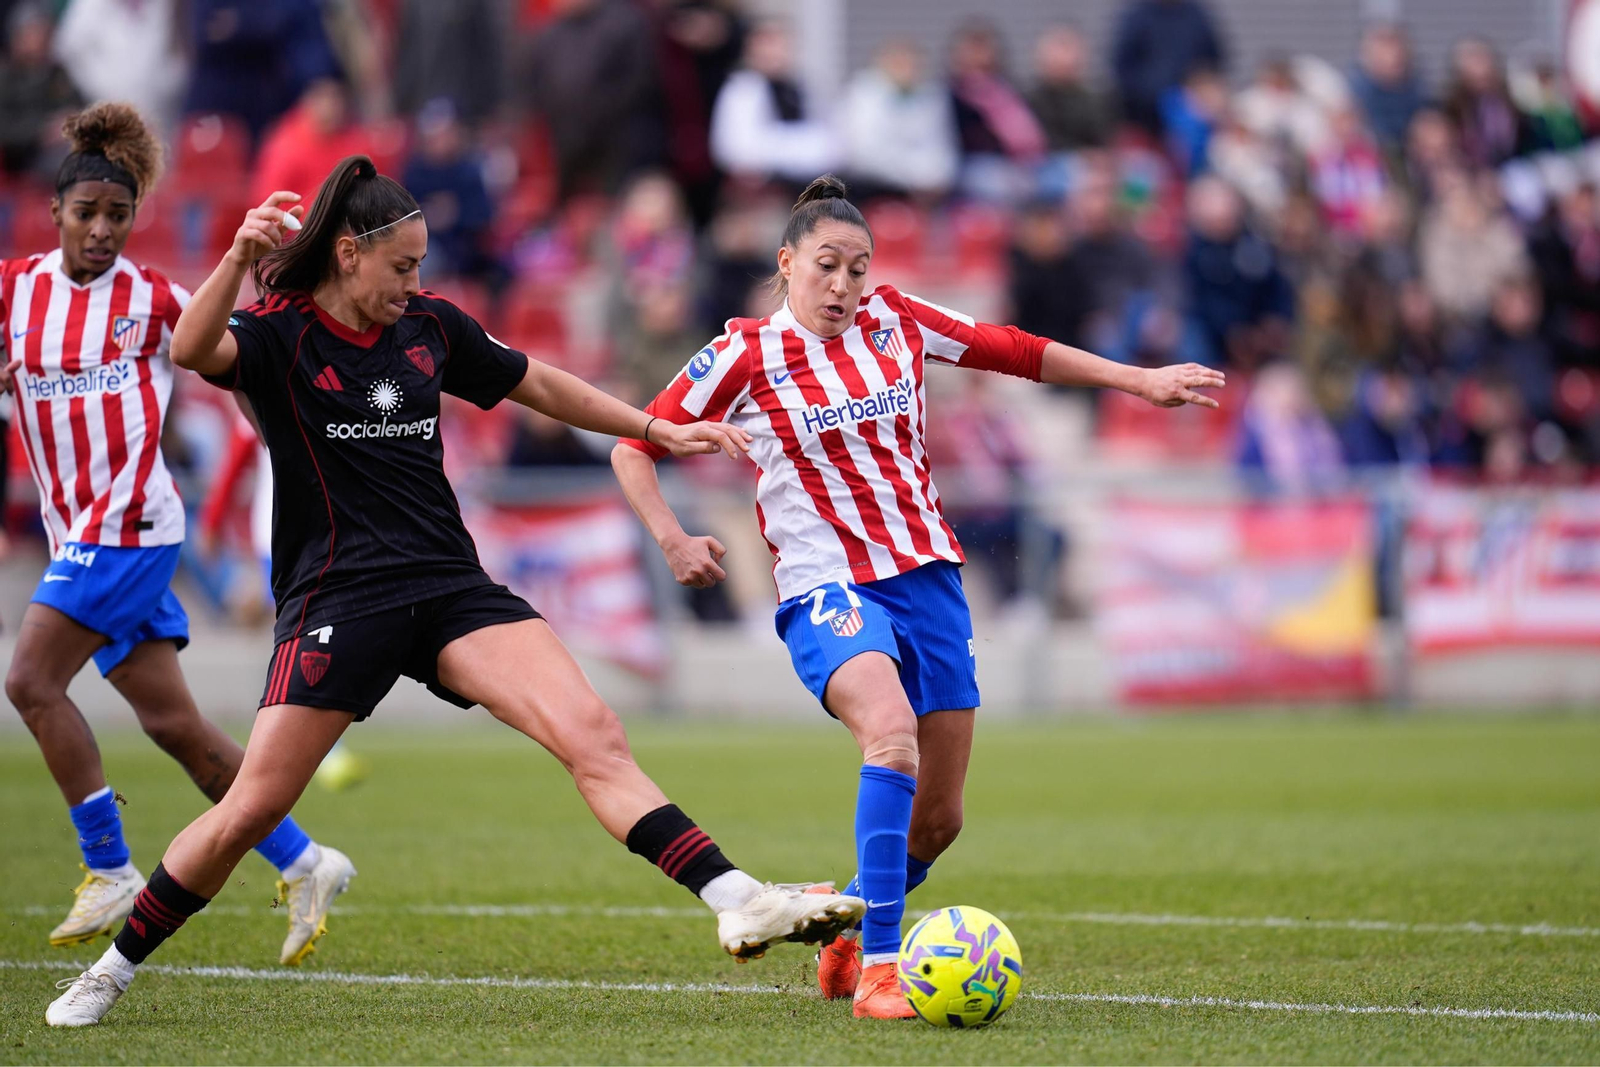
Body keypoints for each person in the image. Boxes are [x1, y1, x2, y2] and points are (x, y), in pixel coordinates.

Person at [42, 154, 865, 1028]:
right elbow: (193, 348)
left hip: (448, 587)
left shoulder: (430, 327)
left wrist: (653, 426)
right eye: (402, 265)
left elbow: (538, 382)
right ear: (349, 254)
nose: (416, 281)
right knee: (252, 807)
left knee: (593, 734)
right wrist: (239, 256)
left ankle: (736, 895)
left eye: (422, 264)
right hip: (337, 601)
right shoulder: (278, 332)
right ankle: (114, 966)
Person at [610, 176, 1224, 1018]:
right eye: (827, 265)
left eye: (857, 269)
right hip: (827, 585)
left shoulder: (896, 318)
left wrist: (1136, 379)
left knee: (938, 821)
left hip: (928, 578)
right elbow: (632, 445)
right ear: (787, 263)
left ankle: (848, 930)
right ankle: (882, 972)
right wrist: (674, 539)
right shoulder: (743, 354)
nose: (843, 285)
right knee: (889, 736)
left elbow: (1015, 350)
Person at [0, 103, 353, 970]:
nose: (101, 229)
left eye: (118, 215)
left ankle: (109, 863)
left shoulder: (154, 300)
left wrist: (298, 441)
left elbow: (240, 366)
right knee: (179, 729)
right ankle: (308, 860)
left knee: (30, 679)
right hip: (74, 531)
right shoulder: (14, 291)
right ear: (55, 214)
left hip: (130, 530)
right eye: (86, 213)